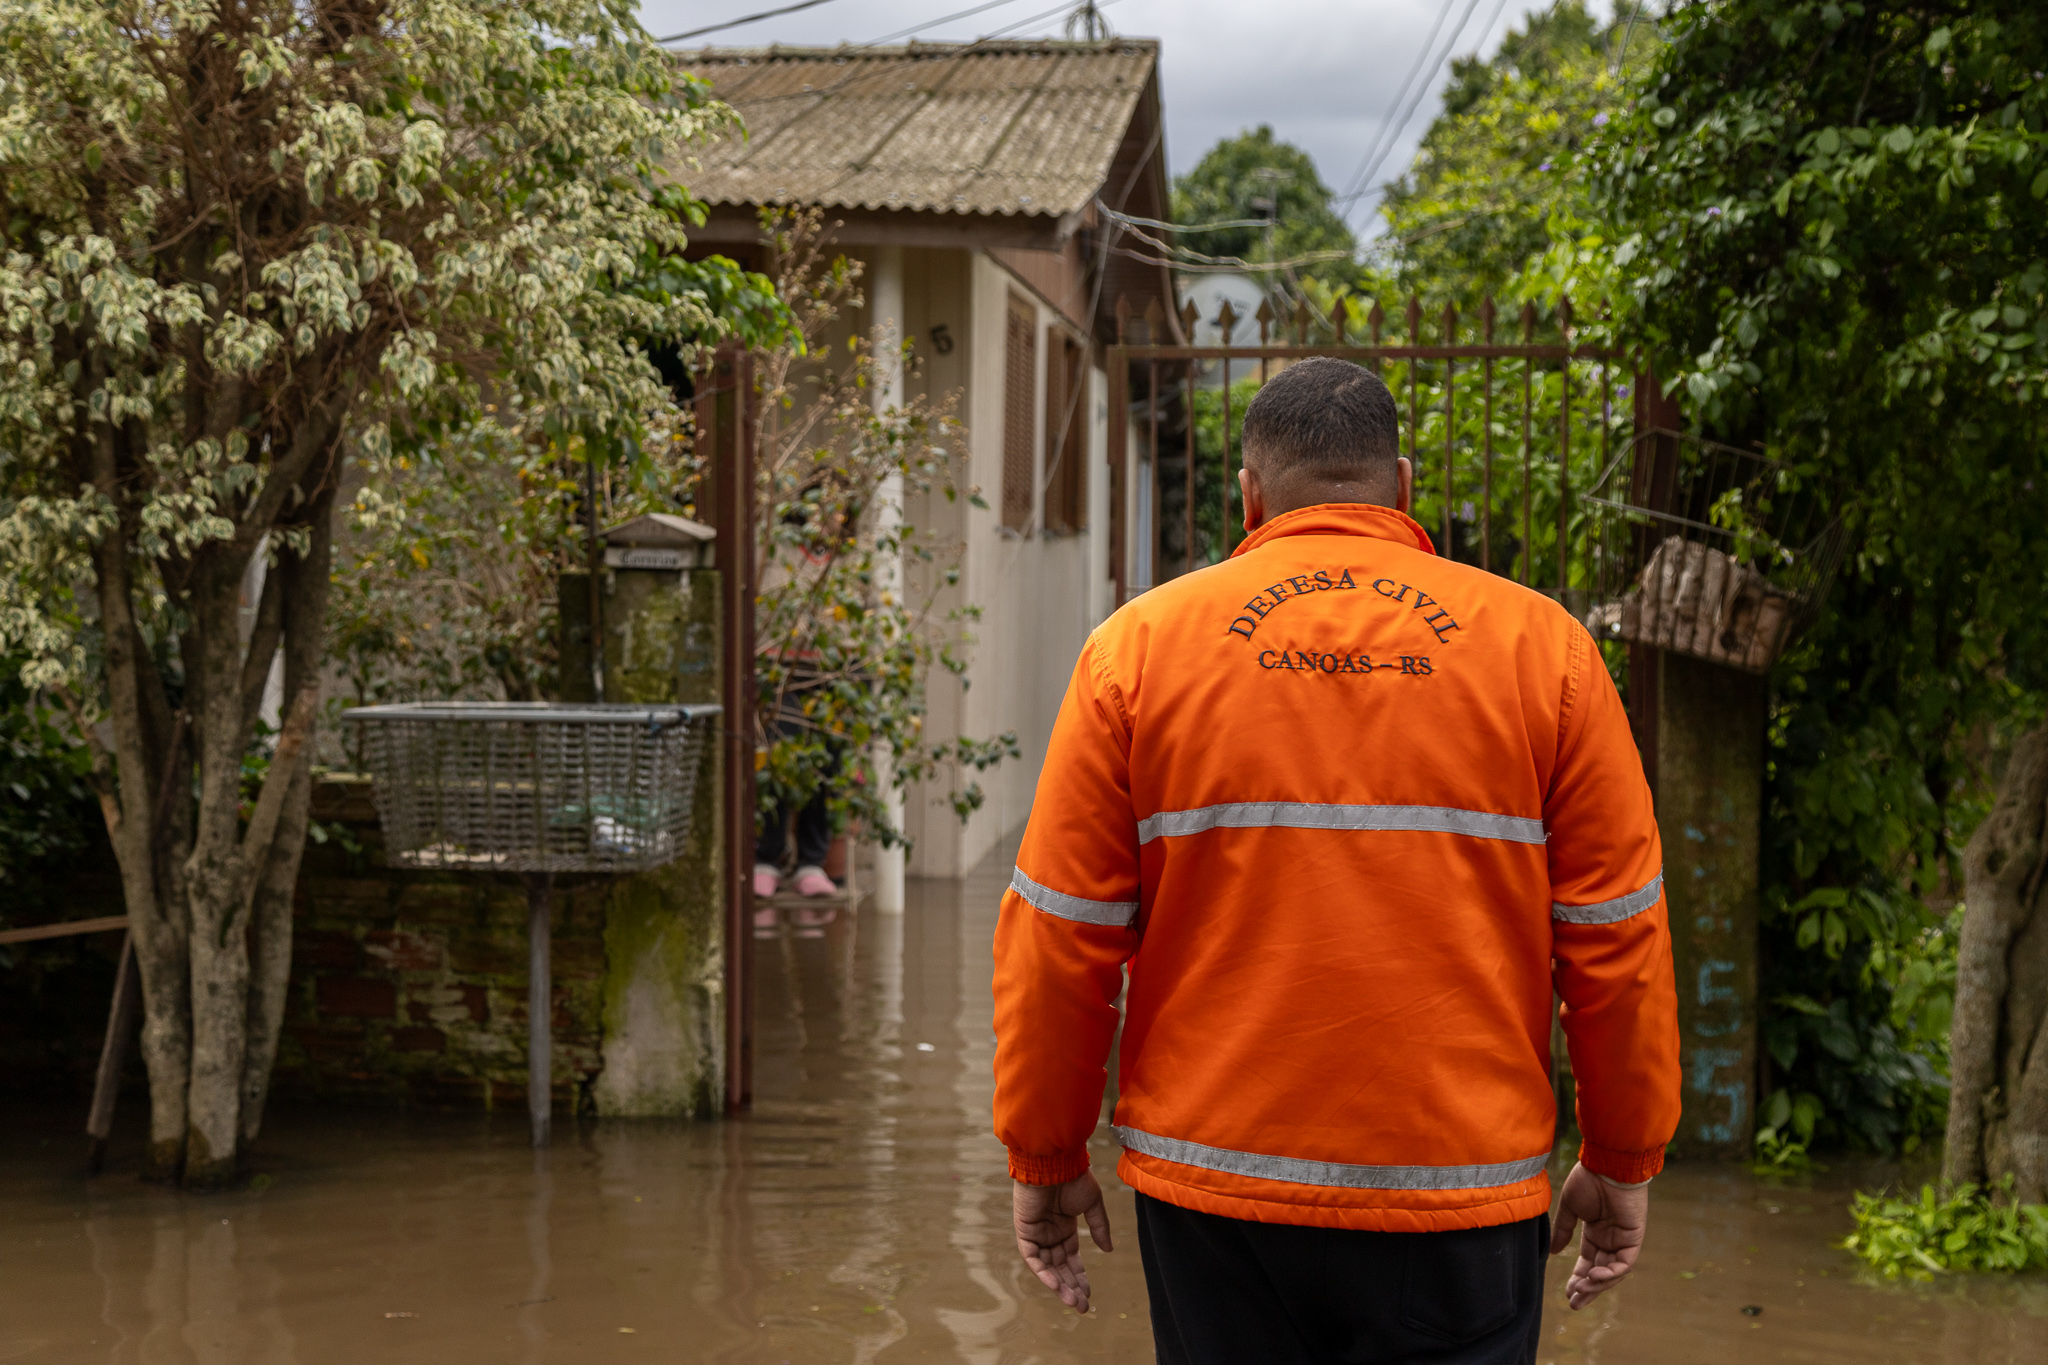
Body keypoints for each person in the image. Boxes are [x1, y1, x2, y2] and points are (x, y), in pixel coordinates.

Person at [990, 358, 1680, 1362]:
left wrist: (1044, 1153)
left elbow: (1060, 936)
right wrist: (1621, 1156)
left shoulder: (1134, 654)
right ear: (1401, 484)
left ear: (1248, 493)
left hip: (1214, 1192)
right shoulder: (1546, 654)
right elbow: (1615, 937)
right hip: (1458, 1192)